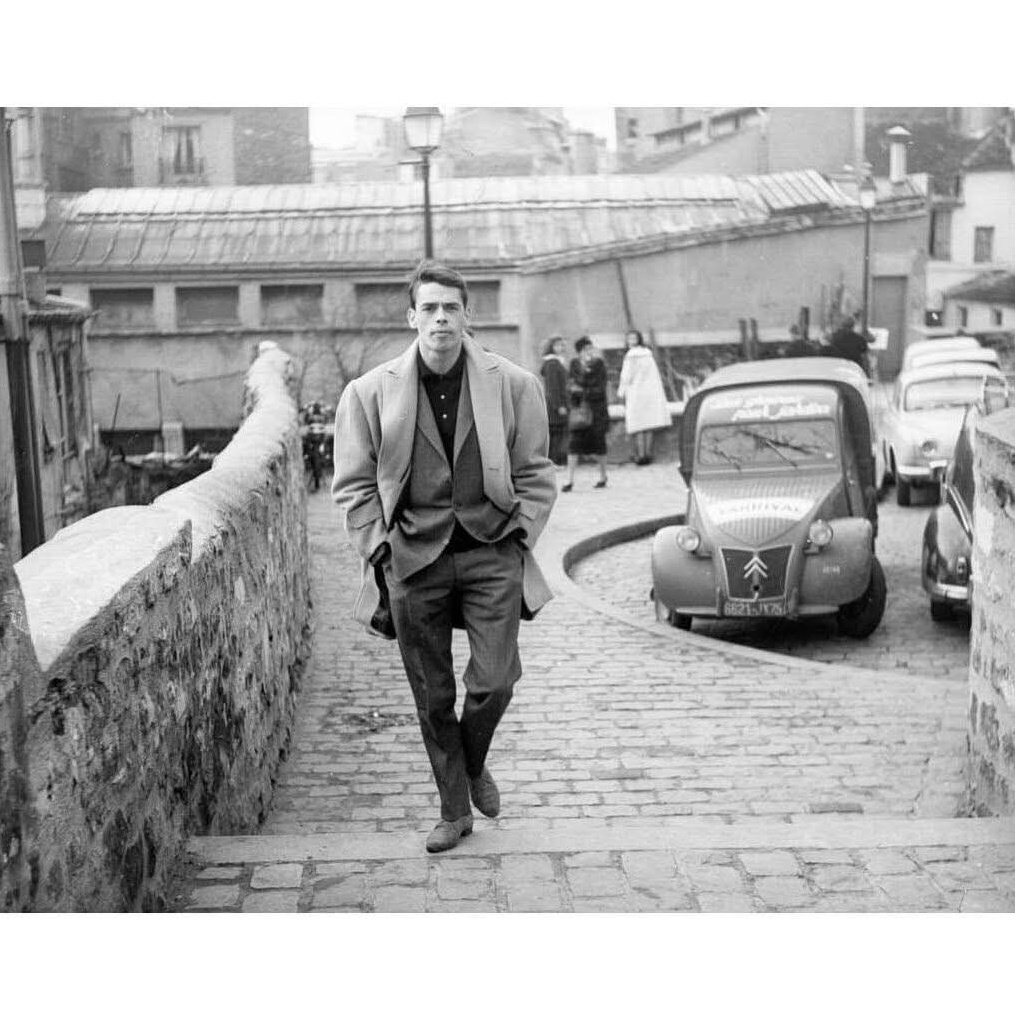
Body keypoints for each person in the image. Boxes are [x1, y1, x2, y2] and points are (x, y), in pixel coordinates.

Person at [331, 261, 557, 854]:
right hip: (411, 557)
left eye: (450, 308)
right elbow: (352, 485)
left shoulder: (513, 384)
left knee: (495, 679)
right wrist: (379, 548)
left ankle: (471, 760)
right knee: (431, 694)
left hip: (490, 549)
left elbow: (536, 473)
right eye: (428, 308)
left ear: (466, 316)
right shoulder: (369, 392)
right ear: (412, 318)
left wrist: (520, 535)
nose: (440, 319)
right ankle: (454, 808)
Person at [617, 329, 671, 465]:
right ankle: (648, 454)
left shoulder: (631, 356)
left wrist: (621, 393)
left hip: (636, 393)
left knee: (639, 426)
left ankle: (641, 455)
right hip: (650, 394)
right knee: (648, 425)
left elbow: (626, 377)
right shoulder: (648, 354)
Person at [563, 335, 610, 491]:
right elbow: (570, 385)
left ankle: (603, 476)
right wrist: (576, 388)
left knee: (599, 444)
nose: (588, 351)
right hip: (580, 412)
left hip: (597, 411)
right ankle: (569, 480)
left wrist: (582, 388)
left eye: (590, 348)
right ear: (579, 352)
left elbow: (600, 388)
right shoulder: (574, 364)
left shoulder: (599, 364)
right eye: (585, 349)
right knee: (573, 444)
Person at [540, 336, 570, 466]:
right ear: (551, 347)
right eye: (557, 345)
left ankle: (557, 460)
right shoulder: (552, 363)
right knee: (556, 433)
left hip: (559, 402)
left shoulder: (558, 362)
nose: (560, 348)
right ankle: (554, 461)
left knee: (558, 433)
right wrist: (559, 406)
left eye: (562, 345)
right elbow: (553, 387)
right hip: (555, 404)